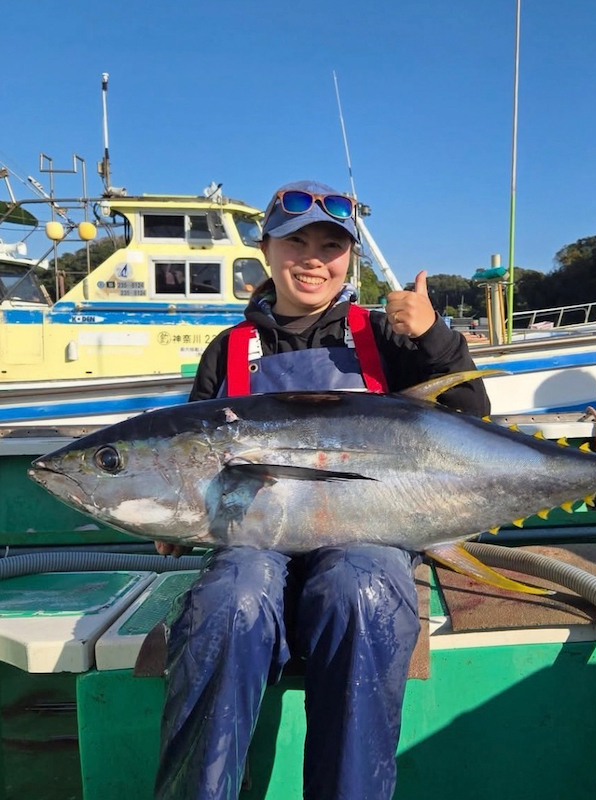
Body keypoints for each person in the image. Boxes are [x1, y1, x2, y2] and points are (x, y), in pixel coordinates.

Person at [153, 179, 490, 800]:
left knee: (360, 589)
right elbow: (191, 454)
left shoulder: (385, 334)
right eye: (295, 243)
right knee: (229, 599)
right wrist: (171, 514)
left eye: (330, 246)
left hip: (370, 537)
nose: (313, 260)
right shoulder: (227, 350)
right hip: (255, 543)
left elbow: (471, 417)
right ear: (266, 250)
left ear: (350, 258)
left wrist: (434, 336)